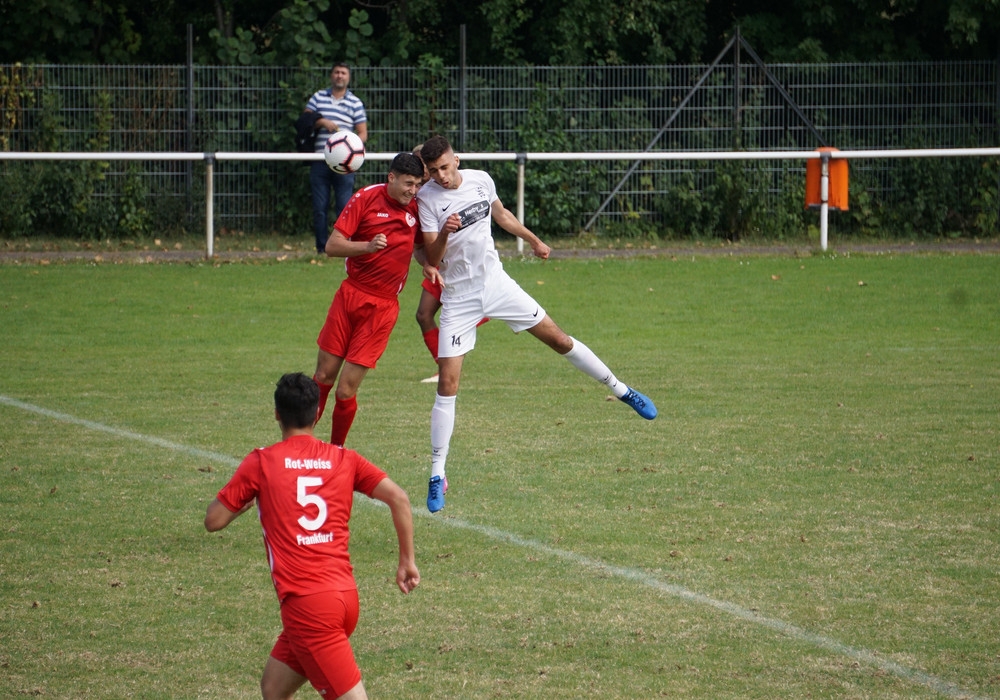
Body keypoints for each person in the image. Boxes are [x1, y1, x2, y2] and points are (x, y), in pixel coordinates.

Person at [415, 135, 657, 514]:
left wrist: (534, 240)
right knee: (448, 384)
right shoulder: (427, 198)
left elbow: (502, 214)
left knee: (559, 340)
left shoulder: (480, 179)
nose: (441, 176)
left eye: (445, 167)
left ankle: (623, 390)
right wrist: (446, 230)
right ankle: (436, 473)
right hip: (459, 299)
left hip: (497, 285)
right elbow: (430, 254)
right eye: (433, 171)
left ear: (456, 160)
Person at [204, 372, 419, 700]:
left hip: (308, 608)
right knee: (274, 688)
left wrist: (250, 501)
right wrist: (406, 561)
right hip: (344, 598)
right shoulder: (344, 458)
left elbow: (214, 520)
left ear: (276, 413)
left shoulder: (261, 462)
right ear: (317, 413)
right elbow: (399, 498)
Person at [313, 152, 437, 447]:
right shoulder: (365, 197)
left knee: (345, 390)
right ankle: (297, 446)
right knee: (323, 376)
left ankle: (336, 452)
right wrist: (367, 247)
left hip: (382, 308)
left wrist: (427, 263)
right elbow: (332, 246)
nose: (413, 190)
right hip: (349, 296)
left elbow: (418, 247)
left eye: (418, 185)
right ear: (391, 178)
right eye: (408, 183)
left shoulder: (417, 209)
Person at [411, 143, 488, 384]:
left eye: (426, 165)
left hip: (454, 265)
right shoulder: (418, 196)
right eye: (423, 165)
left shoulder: (442, 190)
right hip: (437, 266)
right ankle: (442, 366)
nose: (425, 170)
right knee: (423, 315)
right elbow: (418, 246)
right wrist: (428, 265)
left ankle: (482, 309)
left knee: (432, 314)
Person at [304, 62, 368, 253]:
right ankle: (322, 249)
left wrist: (352, 147)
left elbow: (363, 133)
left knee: (344, 206)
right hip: (320, 161)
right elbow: (305, 120)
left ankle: (343, 247)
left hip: (345, 165)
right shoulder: (318, 97)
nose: (339, 76)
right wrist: (321, 121)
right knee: (320, 207)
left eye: (343, 73)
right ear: (331, 75)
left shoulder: (355, 102)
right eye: (336, 72)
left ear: (348, 77)